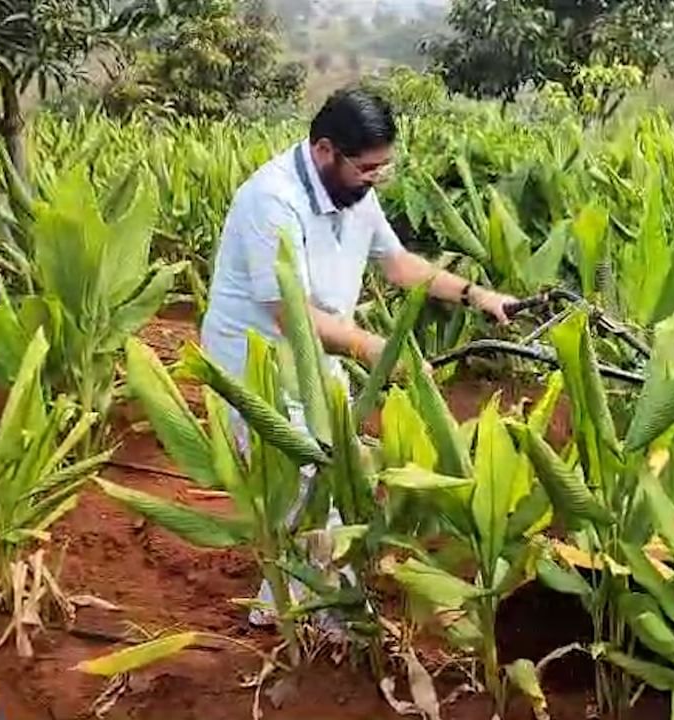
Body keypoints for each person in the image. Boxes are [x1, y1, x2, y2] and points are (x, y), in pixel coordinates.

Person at [199, 87, 516, 625]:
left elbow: (396, 264)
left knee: (342, 478)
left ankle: (289, 610)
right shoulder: (271, 200)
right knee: (309, 486)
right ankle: (322, 624)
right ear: (326, 150)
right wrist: (376, 348)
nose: (376, 179)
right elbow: (290, 317)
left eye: (383, 169)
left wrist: (477, 295)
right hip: (257, 367)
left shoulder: (353, 191)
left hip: (320, 360)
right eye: (369, 168)